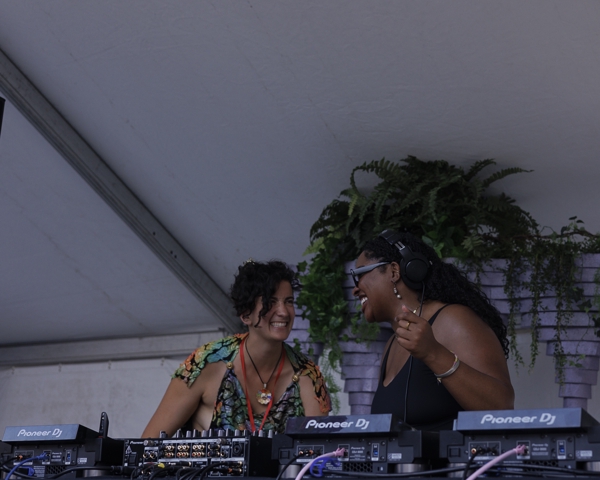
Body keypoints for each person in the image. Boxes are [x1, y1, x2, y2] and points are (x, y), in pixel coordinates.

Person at [142, 260, 331, 437]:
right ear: (246, 314)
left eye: (288, 301)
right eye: (271, 302)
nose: (283, 312)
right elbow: (146, 446)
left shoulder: (308, 376)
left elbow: (320, 453)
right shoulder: (205, 362)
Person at [351, 230, 514, 431]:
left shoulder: (454, 319)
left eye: (359, 275)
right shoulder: (392, 344)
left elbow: (501, 407)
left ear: (394, 272)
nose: (355, 289)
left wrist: (433, 353)